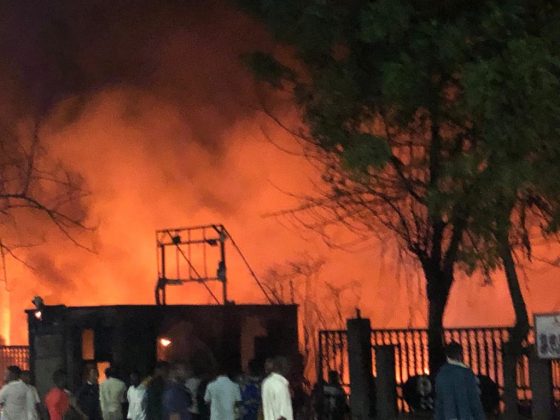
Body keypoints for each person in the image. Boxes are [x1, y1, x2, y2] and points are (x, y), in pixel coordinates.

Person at [434, 342, 485, 420]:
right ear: (460, 355)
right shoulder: (467, 374)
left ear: (447, 356)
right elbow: (474, 400)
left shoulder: (441, 375)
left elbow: (439, 402)